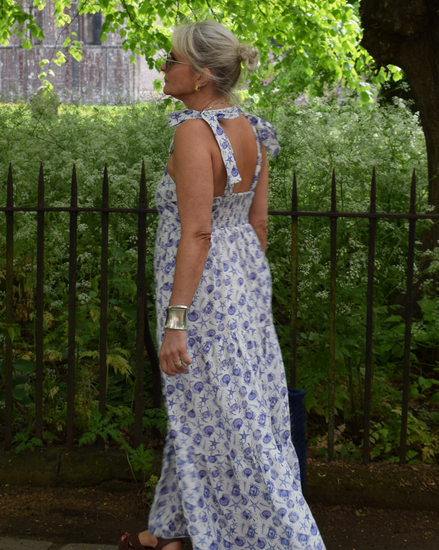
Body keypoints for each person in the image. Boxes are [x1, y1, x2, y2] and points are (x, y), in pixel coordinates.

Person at [119, 20, 325, 550]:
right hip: (242, 284)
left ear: (203, 76)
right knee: (211, 410)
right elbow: (257, 224)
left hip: (201, 295)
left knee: (234, 421)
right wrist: (246, 295)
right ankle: (170, 529)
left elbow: (198, 230)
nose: (162, 68)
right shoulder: (251, 127)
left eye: (171, 60)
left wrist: (176, 322)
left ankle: (291, 540)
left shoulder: (193, 132)